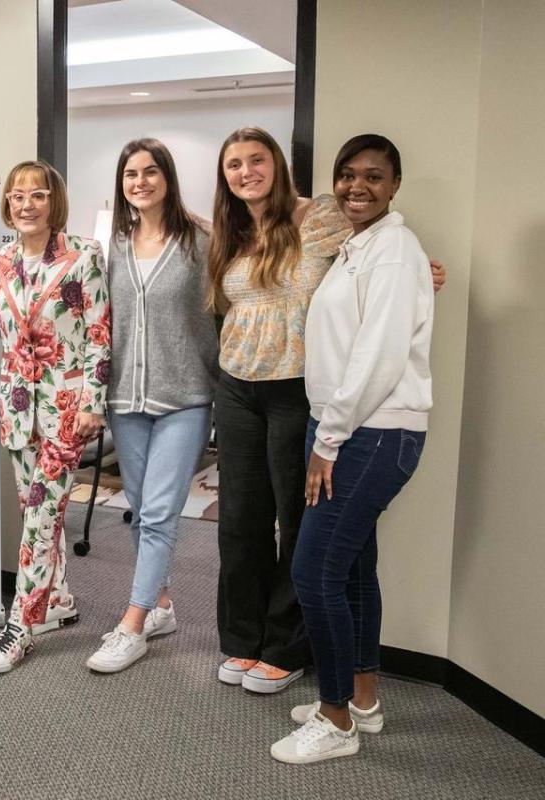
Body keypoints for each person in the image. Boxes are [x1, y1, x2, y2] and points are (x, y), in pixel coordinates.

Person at [207, 128, 444, 695]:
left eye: (257, 160)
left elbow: (383, 249)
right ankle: (241, 640)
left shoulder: (322, 218)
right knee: (238, 520)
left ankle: (286, 649)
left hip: (297, 388)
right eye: (235, 164)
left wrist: (427, 276)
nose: (246, 172)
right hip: (238, 384)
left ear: (278, 165)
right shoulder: (229, 231)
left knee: (296, 517)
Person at [271, 134, 432, 763]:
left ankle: (335, 721)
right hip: (347, 426)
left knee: (314, 572)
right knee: (354, 570)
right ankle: (362, 701)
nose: (356, 187)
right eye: (347, 175)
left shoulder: (393, 252)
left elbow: (379, 356)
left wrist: (329, 439)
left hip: (371, 432)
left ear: (395, 186)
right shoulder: (358, 247)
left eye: (373, 177)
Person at [84, 139, 218, 673]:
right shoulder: (111, 244)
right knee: (141, 510)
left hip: (185, 397)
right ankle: (162, 605)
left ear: (168, 178)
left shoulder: (202, 239)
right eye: (130, 174)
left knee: (160, 511)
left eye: (150, 172)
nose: (140, 182)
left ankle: (132, 623)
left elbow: (259, 271)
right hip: (125, 398)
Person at [0, 159, 110, 673]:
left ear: (54, 201)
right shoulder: (1, 260)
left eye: (36, 195)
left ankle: (21, 626)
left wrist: (94, 404)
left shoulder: (83, 257)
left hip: (65, 408)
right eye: (17, 196)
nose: (26, 204)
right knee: (35, 511)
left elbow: (99, 336)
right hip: (16, 406)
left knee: (40, 517)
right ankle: (58, 602)